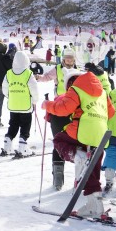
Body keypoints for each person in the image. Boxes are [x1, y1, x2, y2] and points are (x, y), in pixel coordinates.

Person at [41, 69, 115, 218]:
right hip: (100, 134)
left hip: (82, 130)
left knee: (59, 139)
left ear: (70, 82)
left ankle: (76, 155)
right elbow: (111, 112)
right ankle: (95, 206)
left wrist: (47, 105)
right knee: (92, 171)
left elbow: (62, 109)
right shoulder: (102, 93)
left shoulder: (76, 89)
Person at [37, 47, 78, 190]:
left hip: (74, 106)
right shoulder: (58, 69)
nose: (68, 60)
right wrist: (39, 78)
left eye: (71, 58)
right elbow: (47, 76)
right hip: (60, 104)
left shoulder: (78, 71)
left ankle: (78, 176)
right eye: (66, 58)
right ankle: (58, 176)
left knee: (73, 141)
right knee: (60, 141)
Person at [1, 51, 39, 157]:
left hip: (13, 105)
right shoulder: (28, 73)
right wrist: (35, 100)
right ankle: (23, 146)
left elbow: (5, 89)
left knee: (13, 124)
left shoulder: (9, 73)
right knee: (25, 125)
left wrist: (10, 96)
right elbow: (34, 89)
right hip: (25, 106)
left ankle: (7, 143)